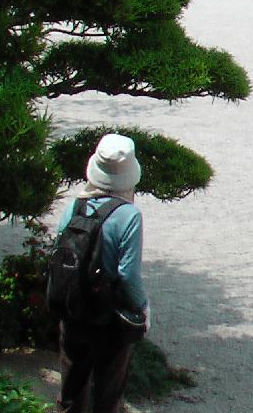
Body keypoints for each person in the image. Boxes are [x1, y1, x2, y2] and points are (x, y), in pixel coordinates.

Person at [56, 132, 149, 413]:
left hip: (72, 307)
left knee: (71, 389)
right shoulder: (128, 215)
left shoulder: (75, 206)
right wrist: (142, 308)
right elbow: (127, 274)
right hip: (108, 317)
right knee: (108, 393)